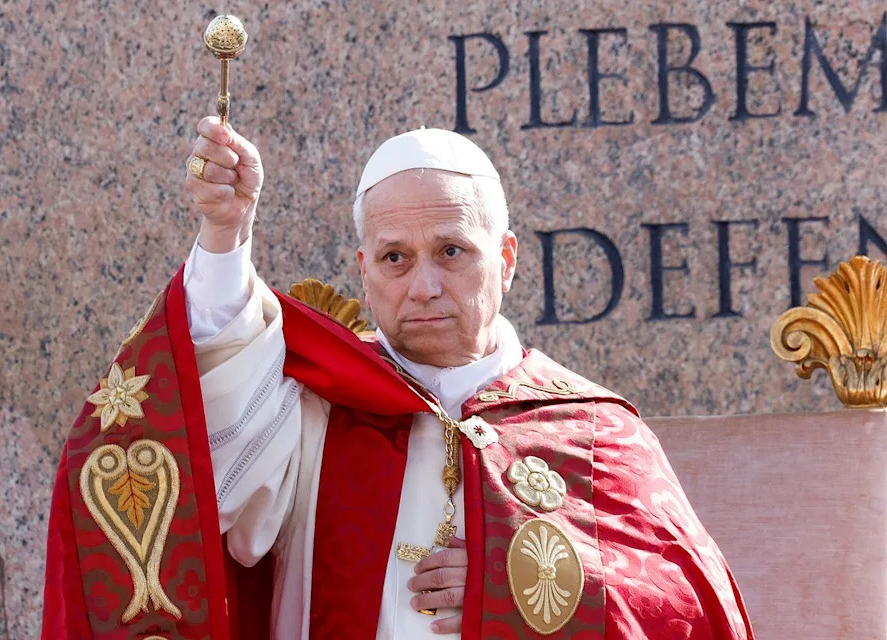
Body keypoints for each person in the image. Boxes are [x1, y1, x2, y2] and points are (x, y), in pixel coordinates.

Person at [41, 118, 756, 640]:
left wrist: (515, 582)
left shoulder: (594, 429)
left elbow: (688, 605)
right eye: (395, 258)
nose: (424, 285)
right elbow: (201, 461)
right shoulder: (313, 406)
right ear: (363, 271)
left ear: (505, 260)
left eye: (451, 251)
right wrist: (225, 237)